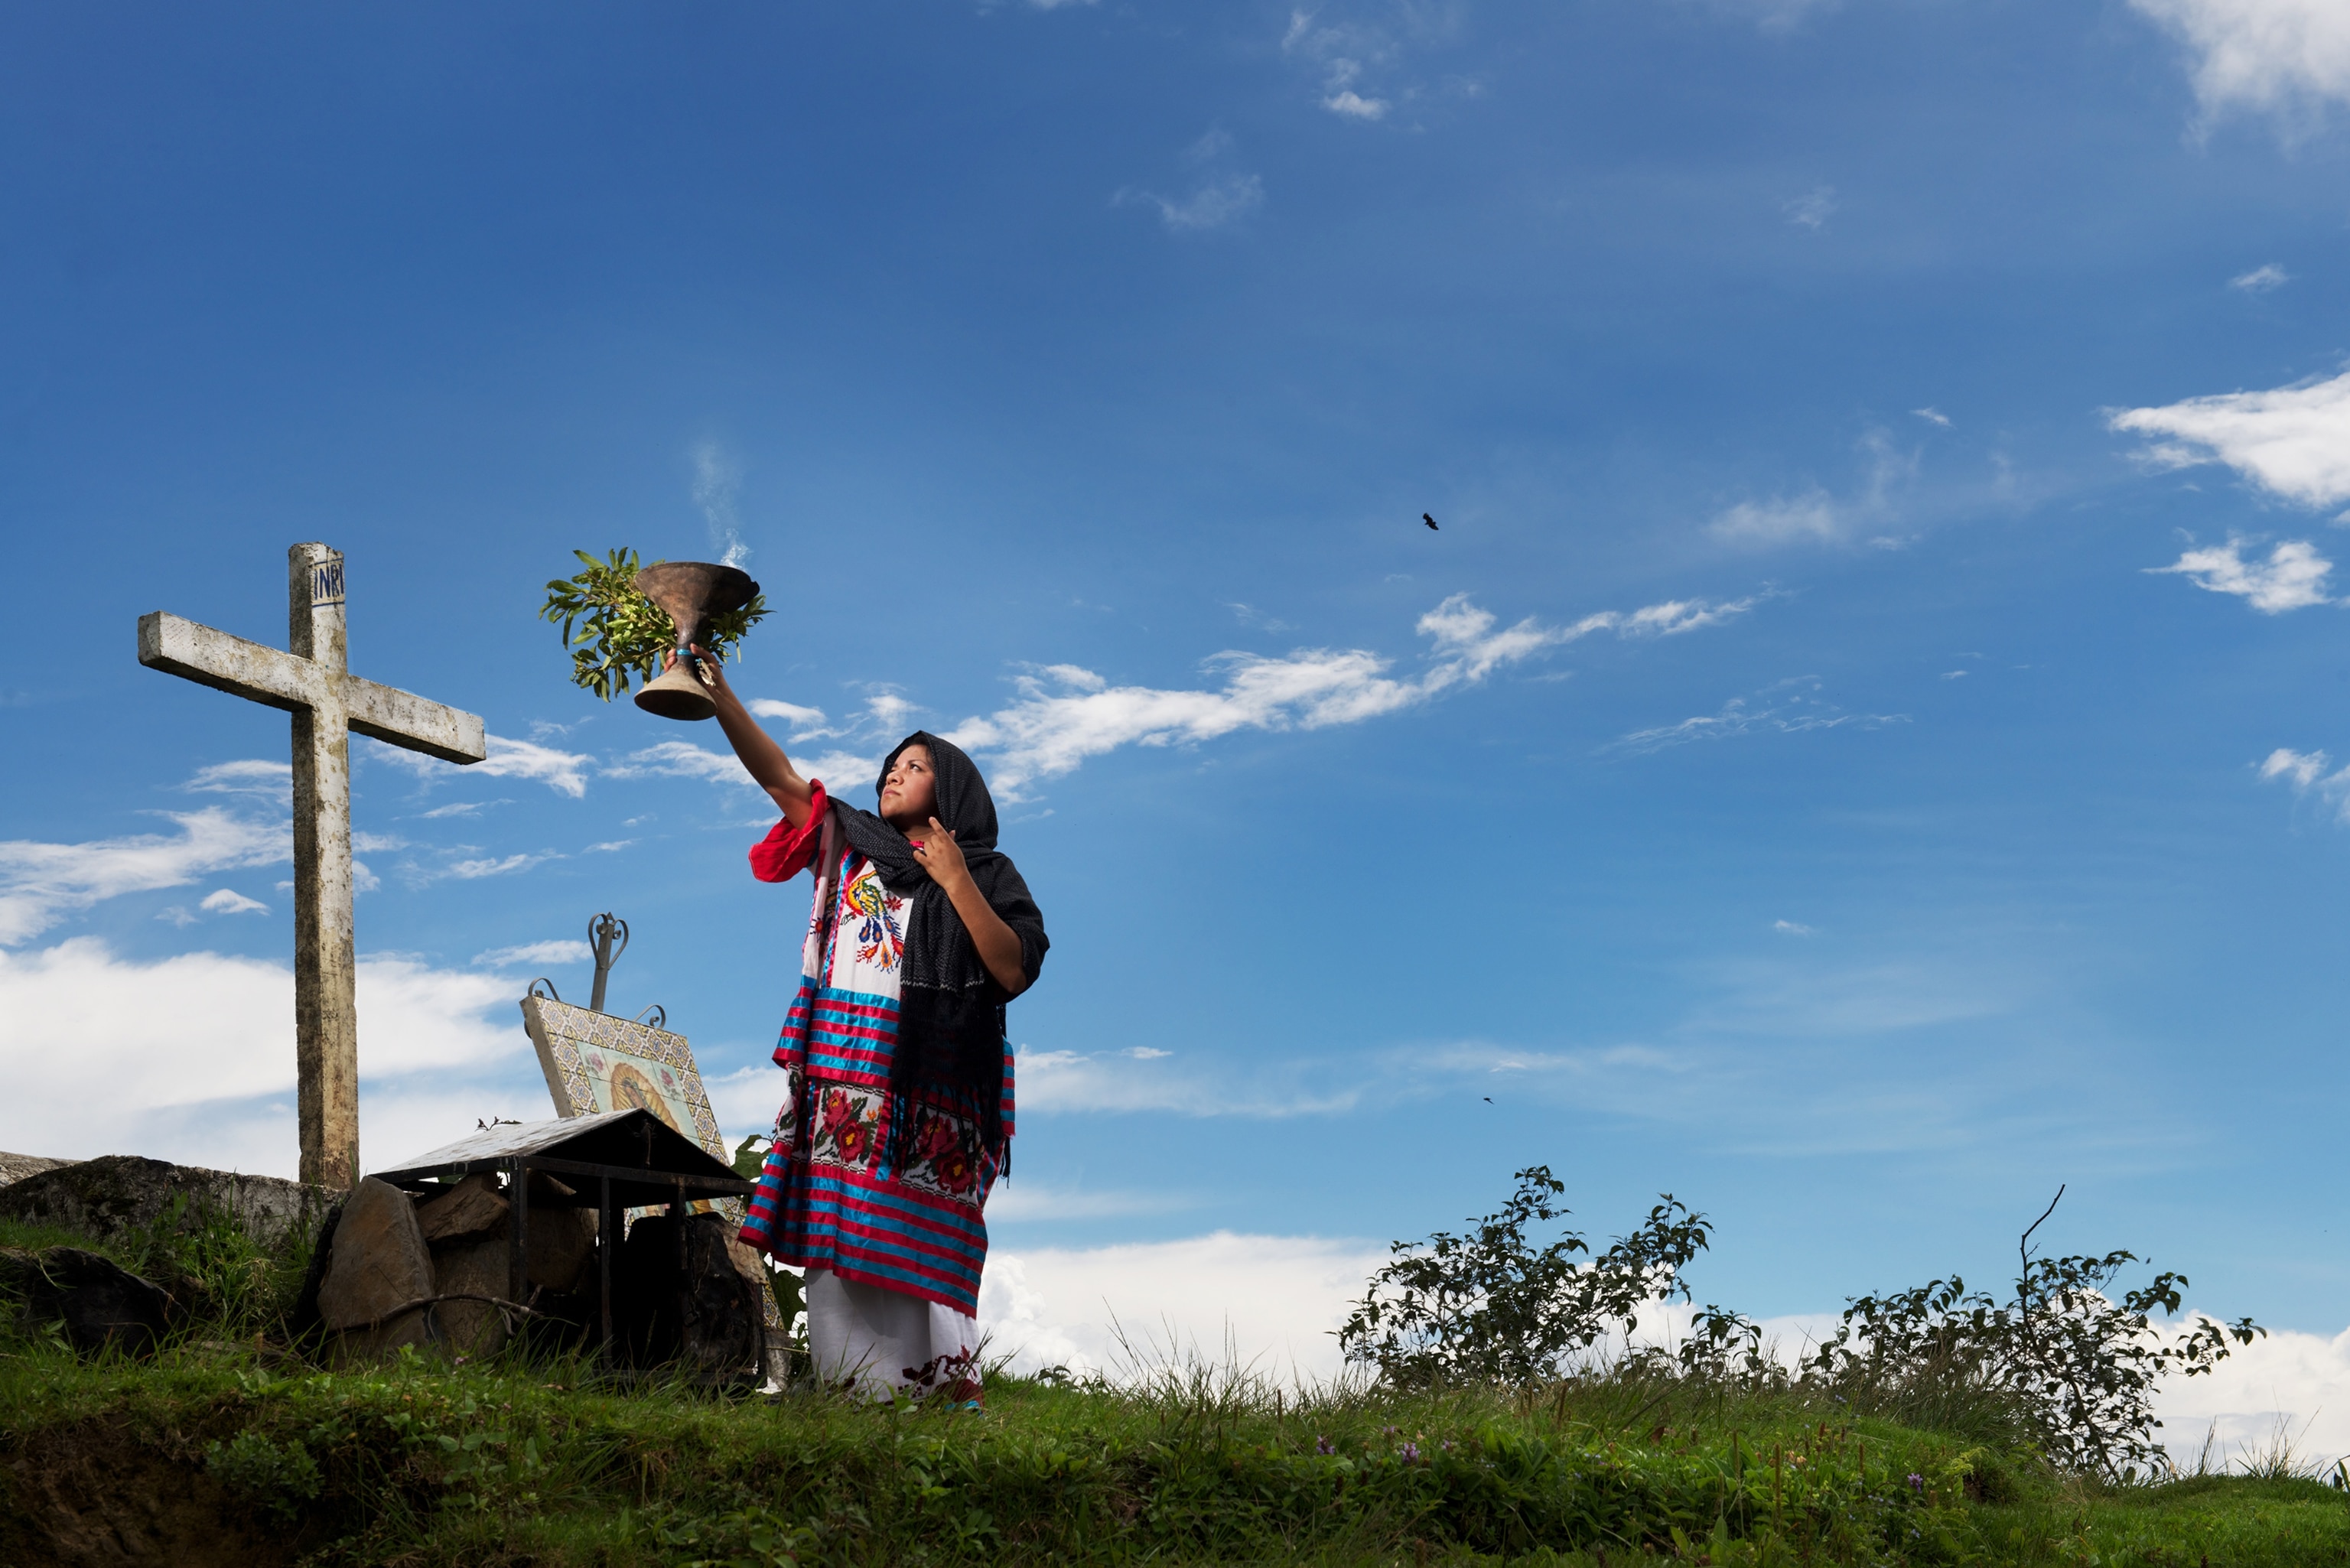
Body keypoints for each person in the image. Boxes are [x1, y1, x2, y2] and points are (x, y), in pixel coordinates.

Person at [674, 646, 1047, 1403]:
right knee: (839, 1245)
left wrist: (954, 880)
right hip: (845, 1087)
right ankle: (850, 1399)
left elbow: (1011, 968)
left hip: (930, 1102)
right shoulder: (854, 848)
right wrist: (719, 696)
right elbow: (781, 779)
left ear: (956, 787)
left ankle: (933, 1399)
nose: (891, 774)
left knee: (911, 1245)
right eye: (888, 765)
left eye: (914, 765)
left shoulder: (990, 873)